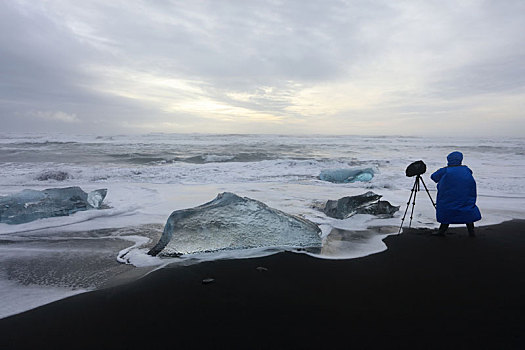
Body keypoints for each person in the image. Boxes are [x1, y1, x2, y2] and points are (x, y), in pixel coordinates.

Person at [430, 151, 481, 237]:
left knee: (447, 210)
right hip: (465, 198)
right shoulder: (467, 170)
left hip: (448, 198)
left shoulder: (445, 170)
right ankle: (471, 232)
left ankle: (442, 231)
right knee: (466, 210)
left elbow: (433, 177)